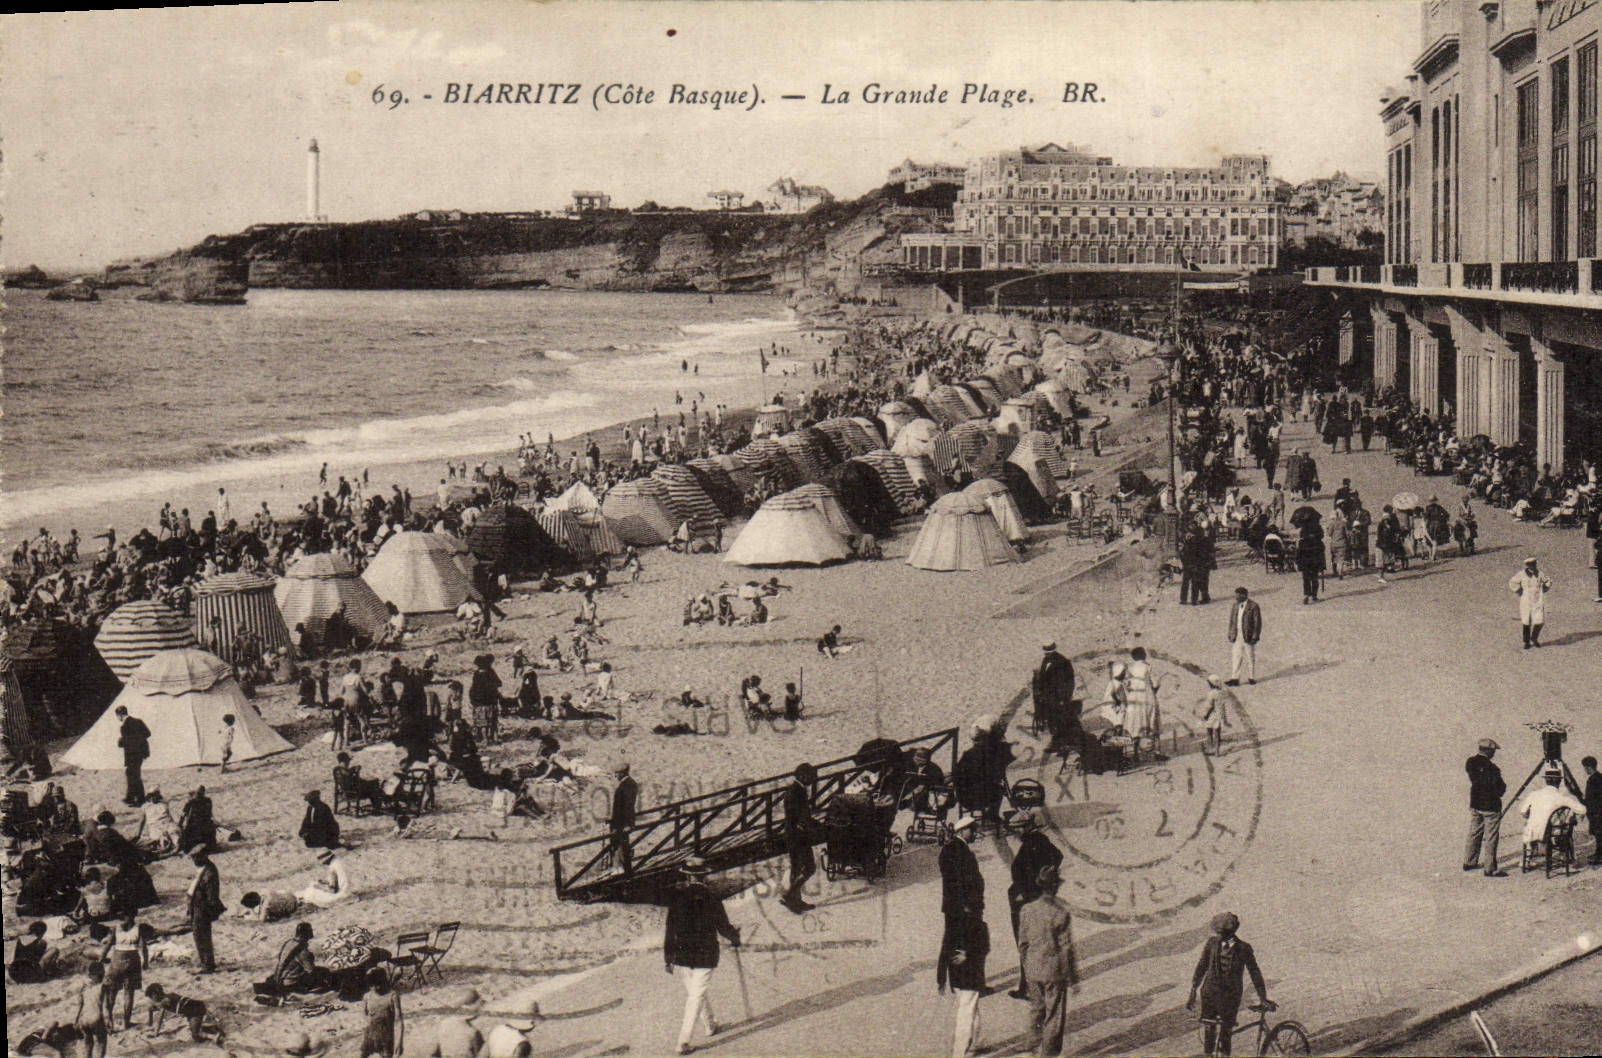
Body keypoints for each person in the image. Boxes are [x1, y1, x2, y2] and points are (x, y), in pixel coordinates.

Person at [663, 855, 741, 1056]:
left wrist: (668, 957)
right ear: (704, 876)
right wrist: (735, 937)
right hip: (705, 953)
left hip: (683, 953)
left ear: (687, 877)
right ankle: (683, 1041)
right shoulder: (711, 897)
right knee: (696, 996)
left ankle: (710, 1025)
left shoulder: (677, 898)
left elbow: (670, 929)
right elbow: (722, 925)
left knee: (696, 993)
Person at [1187, 912, 1270, 1057]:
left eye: (1222, 933)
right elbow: (1201, 966)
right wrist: (1193, 990)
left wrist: (1263, 997)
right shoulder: (1211, 943)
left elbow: (1254, 972)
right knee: (1209, 1030)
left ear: (1231, 932)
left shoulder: (1244, 948)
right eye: (1217, 932)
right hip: (1209, 994)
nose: (1218, 936)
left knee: (1226, 1032)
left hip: (1230, 997)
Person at [1016, 864, 1077, 1058]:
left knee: (1036, 1010)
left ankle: (1030, 1048)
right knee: (1054, 1015)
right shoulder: (1060, 912)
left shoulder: (1026, 909)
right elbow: (1066, 948)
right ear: (1055, 887)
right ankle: (1048, 1055)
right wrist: (1072, 977)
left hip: (1033, 969)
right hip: (1053, 970)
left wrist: (1027, 968)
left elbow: (1022, 943)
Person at [937, 847, 990, 1058]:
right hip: (971, 975)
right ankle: (967, 1047)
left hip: (957, 975)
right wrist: (970, 955)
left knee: (968, 1008)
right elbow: (984, 947)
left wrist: (941, 978)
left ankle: (970, 1046)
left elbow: (944, 948)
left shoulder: (955, 923)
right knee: (967, 1010)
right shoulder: (979, 924)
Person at [1007, 814, 1063, 1000]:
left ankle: (1030, 988)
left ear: (1023, 827)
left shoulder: (1033, 843)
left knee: (1026, 944)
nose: (1015, 834)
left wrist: (1031, 888)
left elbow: (1024, 870)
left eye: (1016, 829)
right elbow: (1057, 856)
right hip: (1031, 899)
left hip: (1025, 903)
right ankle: (1028, 986)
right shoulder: (1040, 840)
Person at [1463, 737, 1508, 877]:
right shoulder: (1493, 769)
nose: (1494, 754)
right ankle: (1490, 868)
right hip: (1490, 806)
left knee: (1474, 832)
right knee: (1491, 837)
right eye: (1493, 751)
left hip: (1476, 803)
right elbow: (1500, 789)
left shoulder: (1470, 762)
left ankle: (1469, 861)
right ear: (1488, 751)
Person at [782, 762, 821, 913]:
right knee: (809, 867)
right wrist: (816, 827)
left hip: (793, 835)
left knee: (797, 868)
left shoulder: (796, 789)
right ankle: (791, 896)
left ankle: (794, 901)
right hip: (798, 836)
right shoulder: (796, 792)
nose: (813, 780)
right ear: (802, 776)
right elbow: (801, 817)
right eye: (811, 776)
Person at [1515, 769, 1587, 846]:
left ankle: (1535, 847)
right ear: (1559, 782)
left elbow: (1522, 811)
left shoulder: (1533, 794)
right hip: (1553, 832)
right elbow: (1582, 810)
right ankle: (1562, 848)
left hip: (1532, 831)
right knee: (1566, 820)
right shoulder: (1561, 797)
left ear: (1546, 781)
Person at [103, 912, 149, 1031]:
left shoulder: (116, 928)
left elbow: (109, 944)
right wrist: (146, 962)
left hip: (117, 960)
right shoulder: (138, 929)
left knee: (111, 993)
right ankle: (126, 1022)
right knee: (129, 993)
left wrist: (101, 958)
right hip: (133, 960)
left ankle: (109, 1023)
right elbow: (143, 947)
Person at [1031, 642, 1077, 756]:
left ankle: (1064, 745)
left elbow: (1069, 682)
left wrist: (1064, 698)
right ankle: (1057, 744)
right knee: (1053, 722)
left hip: (1059, 699)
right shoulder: (1046, 660)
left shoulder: (1063, 662)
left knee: (1061, 721)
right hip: (1048, 699)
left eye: (1048, 652)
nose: (1047, 654)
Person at [187, 845, 225, 974]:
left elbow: (211, 896)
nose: (194, 860)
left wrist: (208, 911)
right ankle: (206, 962)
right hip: (196, 905)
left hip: (202, 907)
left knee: (201, 936)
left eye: (196, 857)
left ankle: (207, 965)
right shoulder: (203, 868)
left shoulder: (209, 872)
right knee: (198, 935)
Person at [275, 922, 333, 994]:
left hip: (283, 979)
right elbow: (310, 970)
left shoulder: (289, 943)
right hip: (292, 982)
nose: (312, 932)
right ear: (306, 933)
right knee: (324, 972)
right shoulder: (302, 951)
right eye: (310, 930)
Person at [1508, 557, 1552, 649]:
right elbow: (1512, 582)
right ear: (1527, 565)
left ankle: (1534, 638)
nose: (1533, 566)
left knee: (1539, 621)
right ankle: (1526, 641)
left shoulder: (1540, 574)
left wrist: (1546, 588)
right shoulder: (1522, 574)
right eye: (1530, 564)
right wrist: (1519, 590)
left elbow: (1548, 581)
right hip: (1526, 600)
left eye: (1534, 564)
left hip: (1538, 600)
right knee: (1526, 621)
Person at [361, 966, 405, 1057]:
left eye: (378, 984)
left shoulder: (392, 996)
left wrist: (399, 1042)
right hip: (370, 1035)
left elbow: (399, 1021)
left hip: (386, 1037)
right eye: (372, 986)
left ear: (383, 982)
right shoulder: (367, 997)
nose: (376, 988)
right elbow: (364, 1016)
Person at [1224, 587, 1261, 687]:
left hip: (1248, 636)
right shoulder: (1235, 606)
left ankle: (1251, 677)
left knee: (1250, 656)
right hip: (1237, 635)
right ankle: (1235, 678)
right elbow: (1232, 621)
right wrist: (1231, 633)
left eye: (1238, 595)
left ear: (1244, 595)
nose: (1236, 597)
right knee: (1236, 656)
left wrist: (1255, 636)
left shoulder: (1253, 606)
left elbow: (1257, 623)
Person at [116, 705, 152, 806]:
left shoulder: (124, 727)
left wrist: (120, 741)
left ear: (120, 715)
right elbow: (148, 733)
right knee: (132, 774)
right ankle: (130, 797)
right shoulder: (138, 721)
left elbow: (125, 742)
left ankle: (139, 799)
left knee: (134, 776)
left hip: (131, 755)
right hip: (141, 753)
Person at [73, 962, 109, 1058]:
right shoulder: (103, 987)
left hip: (84, 1019)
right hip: (96, 1017)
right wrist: (108, 1020)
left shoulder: (84, 988)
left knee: (88, 1044)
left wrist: (76, 1020)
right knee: (101, 1042)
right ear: (102, 974)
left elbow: (80, 1005)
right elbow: (106, 1006)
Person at [609, 761, 638, 874]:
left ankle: (623, 869)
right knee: (619, 844)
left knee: (622, 845)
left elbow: (628, 806)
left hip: (622, 822)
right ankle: (620, 867)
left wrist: (627, 824)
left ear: (622, 773)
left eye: (617, 773)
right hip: (620, 821)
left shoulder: (628, 785)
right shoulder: (627, 784)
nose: (615, 776)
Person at [1197, 675, 1232, 756]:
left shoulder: (1211, 693)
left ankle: (1210, 748)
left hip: (1212, 715)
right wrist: (1225, 718)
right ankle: (1217, 751)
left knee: (1209, 732)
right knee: (1217, 733)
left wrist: (1205, 715)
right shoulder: (1222, 692)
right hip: (1219, 714)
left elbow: (1209, 706)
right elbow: (1223, 706)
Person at [178, 786, 218, 852]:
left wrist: (180, 825)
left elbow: (183, 815)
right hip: (204, 825)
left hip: (195, 826)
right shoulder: (207, 801)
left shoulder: (191, 802)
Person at [1582, 756, 1602, 865]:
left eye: (1585, 768)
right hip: (1599, 811)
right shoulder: (1600, 777)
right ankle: (1599, 853)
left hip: (1596, 813)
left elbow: (1590, 799)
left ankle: (1599, 856)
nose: (1584, 770)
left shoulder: (1591, 780)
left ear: (1589, 767)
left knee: (1599, 835)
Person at [237, 890, 301, 923]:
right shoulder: (264, 892)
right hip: (289, 895)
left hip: (292, 906)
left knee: (271, 915)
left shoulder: (266, 905)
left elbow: (261, 920)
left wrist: (251, 910)